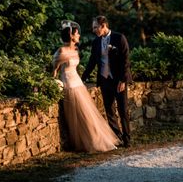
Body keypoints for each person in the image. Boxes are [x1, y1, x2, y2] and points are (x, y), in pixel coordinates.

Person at [52, 20, 120, 153]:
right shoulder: (61, 51)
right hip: (70, 86)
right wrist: (53, 84)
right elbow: (54, 71)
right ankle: (90, 142)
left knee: (89, 115)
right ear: (71, 36)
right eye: (77, 34)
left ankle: (98, 139)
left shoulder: (75, 50)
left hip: (78, 84)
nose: (79, 36)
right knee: (82, 117)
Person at [82, 15, 132, 148]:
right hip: (104, 81)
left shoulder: (119, 38)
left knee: (123, 110)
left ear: (103, 26)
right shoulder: (96, 42)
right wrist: (83, 78)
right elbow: (92, 62)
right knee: (109, 111)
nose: (93, 30)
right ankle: (117, 137)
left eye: (95, 27)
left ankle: (127, 139)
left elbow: (126, 61)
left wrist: (123, 80)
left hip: (118, 81)